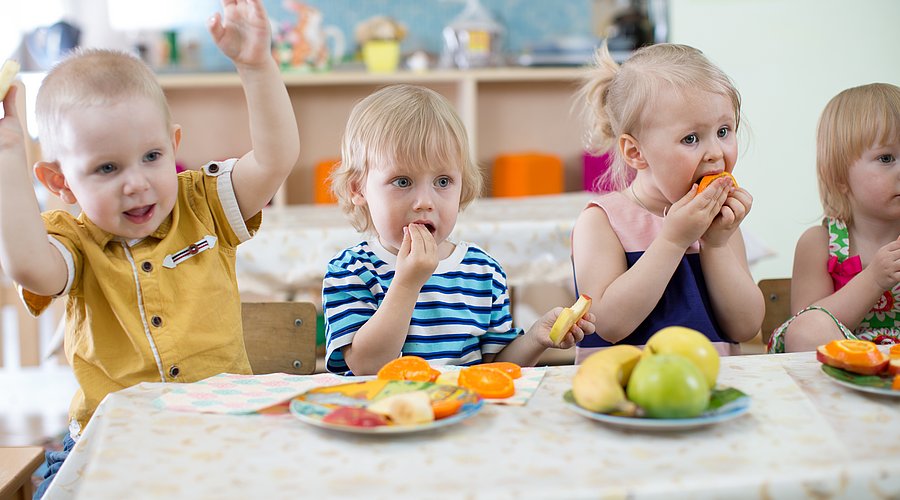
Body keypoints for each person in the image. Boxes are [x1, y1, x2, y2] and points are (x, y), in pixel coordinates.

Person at [0, 0, 299, 496]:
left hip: (222, 431)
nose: (137, 184)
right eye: (107, 169)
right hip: (110, 442)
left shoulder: (203, 204)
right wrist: (9, 154)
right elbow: (31, 269)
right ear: (61, 182)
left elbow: (274, 161)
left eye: (152, 156)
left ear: (173, 143)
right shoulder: (75, 241)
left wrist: (256, 66)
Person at [322, 84, 595, 375]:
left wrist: (536, 338)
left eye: (442, 181)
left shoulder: (483, 271)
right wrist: (407, 284)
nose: (425, 202)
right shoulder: (350, 271)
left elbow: (495, 369)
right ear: (357, 188)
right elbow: (367, 366)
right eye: (402, 181)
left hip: (462, 415)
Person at [571, 43, 763, 362]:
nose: (716, 152)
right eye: (691, 138)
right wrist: (673, 240)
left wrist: (716, 244)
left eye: (724, 131)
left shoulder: (720, 224)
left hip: (709, 392)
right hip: (624, 398)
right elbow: (609, 324)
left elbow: (745, 326)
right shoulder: (603, 221)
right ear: (636, 152)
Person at [767, 83, 900, 353]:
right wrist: (873, 279)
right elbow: (806, 325)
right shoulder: (820, 242)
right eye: (886, 158)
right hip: (849, 359)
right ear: (839, 177)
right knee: (807, 329)